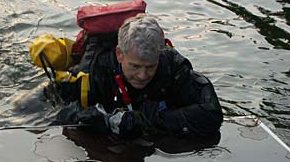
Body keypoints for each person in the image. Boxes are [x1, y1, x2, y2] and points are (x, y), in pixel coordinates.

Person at [56, 14, 223, 138]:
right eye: (135, 66)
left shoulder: (173, 67)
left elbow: (211, 114)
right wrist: (100, 119)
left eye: (150, 67)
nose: (143, 75)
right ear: (120, 54)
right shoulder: (95, 71)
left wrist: (141, 120)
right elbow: (49, 108)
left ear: (160, 55)